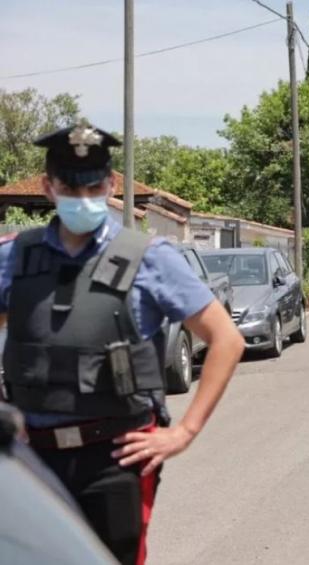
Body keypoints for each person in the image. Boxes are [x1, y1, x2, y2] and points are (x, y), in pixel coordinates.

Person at [0, 122, 245, 565]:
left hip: (115, 456)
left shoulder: (150, 258)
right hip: (30, 457)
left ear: (111, 185)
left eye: (93, 186)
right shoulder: (15, 257)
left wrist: (184, 432)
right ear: (48, 188)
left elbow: (226, 339)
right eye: (70, 188)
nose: (83, 198)